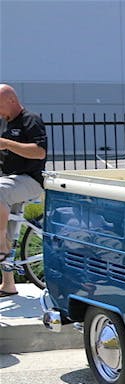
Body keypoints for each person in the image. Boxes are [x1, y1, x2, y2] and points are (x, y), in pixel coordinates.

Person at [0, 84, 47, 297]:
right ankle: (8, 285)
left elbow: (39, 152)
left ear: (11, 100)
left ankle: (1, 246)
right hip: (11, 181)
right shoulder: (5, 122)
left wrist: (7, 144)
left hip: (29, 180)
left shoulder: (31, 119)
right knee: (9, 226)